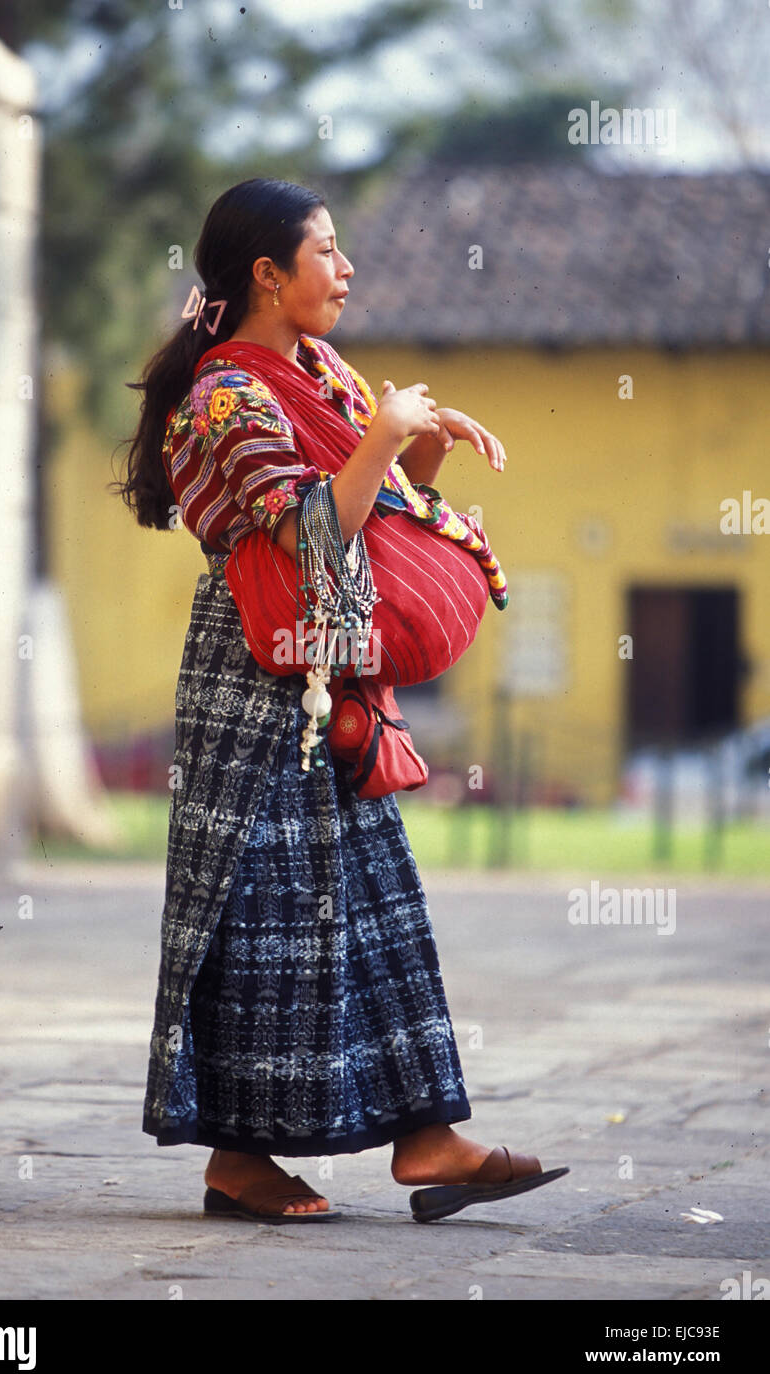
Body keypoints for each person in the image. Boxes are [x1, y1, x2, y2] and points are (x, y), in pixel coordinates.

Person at [115, 177, 568, 1223]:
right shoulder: (227, 396)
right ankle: (239, 1159)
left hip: (328, 675)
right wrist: (379, 437)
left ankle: (429, 1138)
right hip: (257, 680)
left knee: (373, 903)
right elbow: (309, 531)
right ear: (269, 274)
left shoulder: (316, 368)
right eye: (327, 251)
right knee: (259, 912)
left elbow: (376, 512)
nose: (347, 268)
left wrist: (422, 443)